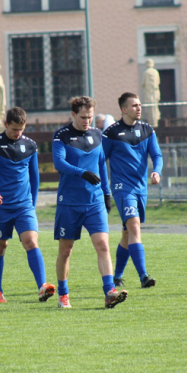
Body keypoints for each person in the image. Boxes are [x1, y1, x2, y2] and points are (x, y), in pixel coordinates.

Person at [53, 96, 128, 309]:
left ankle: (109, 292)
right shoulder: (61, 136)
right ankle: (63, 294)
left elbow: (101, 165)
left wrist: (106, 193)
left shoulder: (97, 135)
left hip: (94, 202)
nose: (87, 121)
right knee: (66, 250)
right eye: (83, 117)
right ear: (73, 114)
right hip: (69, 202)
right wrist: (82, 173)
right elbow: (59, 163)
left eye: (91, 117)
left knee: (103, 245)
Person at [0, 107, 56, 303]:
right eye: (14, 129)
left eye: (21, 129)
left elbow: (34, 177)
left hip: (24, 206)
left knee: (31, 241)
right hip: (0, 207)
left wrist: (33, 204)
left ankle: (42, 286)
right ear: (6, 125)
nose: (18, 133)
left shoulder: (30, 145)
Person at [102, 92, 163, 289]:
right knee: (135, 226)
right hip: (122, 188)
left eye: (139, 104)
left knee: (127, 234)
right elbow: (101, 161)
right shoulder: (111, 133)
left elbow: (157, 155)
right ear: (123, 109)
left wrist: (156, 171)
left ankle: (117, 275)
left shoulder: (147, 130)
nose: (139, 108)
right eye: (134, 105)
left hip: (140, 188)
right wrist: (105, 189)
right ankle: (143, 276)